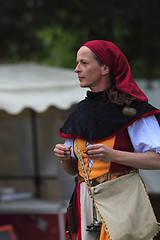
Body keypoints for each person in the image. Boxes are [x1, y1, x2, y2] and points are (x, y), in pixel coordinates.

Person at [54, 40, 160, 240]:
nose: (77, 69)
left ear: (105, 68)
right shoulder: (79, 112)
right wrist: (64, 157)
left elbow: (158, 159)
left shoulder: (133, 110)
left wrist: (113, 155)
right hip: (85, 200)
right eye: (77, 63)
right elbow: (71, 170)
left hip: (121, 197)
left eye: (84, 63)